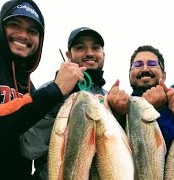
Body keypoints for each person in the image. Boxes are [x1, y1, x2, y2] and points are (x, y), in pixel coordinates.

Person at [0, 0, 90, 179]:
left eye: (32, 31)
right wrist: (55, 89)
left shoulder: (28, 84)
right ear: (0, 27)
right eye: (14, 25)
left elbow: (29, 146)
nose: (23, 35)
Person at [21, 27, 129, 180]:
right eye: (80, 47)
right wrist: (57, 97)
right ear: (68, 55)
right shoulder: (48, 91)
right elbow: (29, 148)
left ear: (103, 55)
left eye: (96, 47)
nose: (89, 53)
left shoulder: (109, 98)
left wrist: (118, 114)